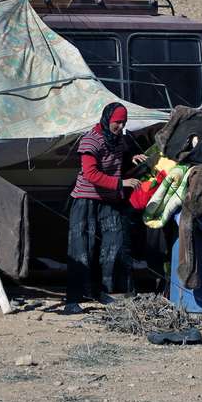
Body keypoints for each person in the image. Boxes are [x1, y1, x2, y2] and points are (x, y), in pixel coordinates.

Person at [64, 102, 146, 314]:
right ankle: (73, 299)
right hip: (86, 200)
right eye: (117, 122)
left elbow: (118, 160)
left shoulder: (119, 140)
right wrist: (121, 183)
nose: (120, 126)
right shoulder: (91, 140)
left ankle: (104, 291)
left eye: (123, 122)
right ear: (107, 119)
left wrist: (132, 158)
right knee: (81, 249)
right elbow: (91, 174)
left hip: (109, 201)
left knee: (113, 246)